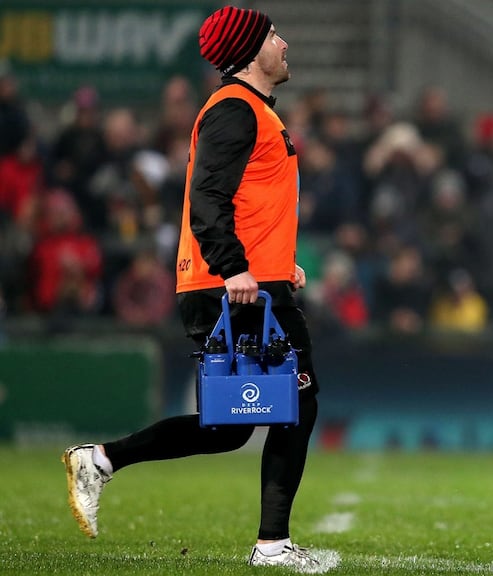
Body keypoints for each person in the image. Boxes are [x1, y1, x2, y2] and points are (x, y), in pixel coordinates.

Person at [61, 6, 332, 572]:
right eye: (273, 35)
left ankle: (101, 461)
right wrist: (235, 267)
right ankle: (273, 546)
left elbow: (247, 200)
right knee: (298, 404)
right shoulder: (236, 109)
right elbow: (207, 198)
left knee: (230, 427)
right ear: (251, 50)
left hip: (246, 282)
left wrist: (281, 264)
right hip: (232, 287)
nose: (284, 44)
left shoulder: (247, 109)